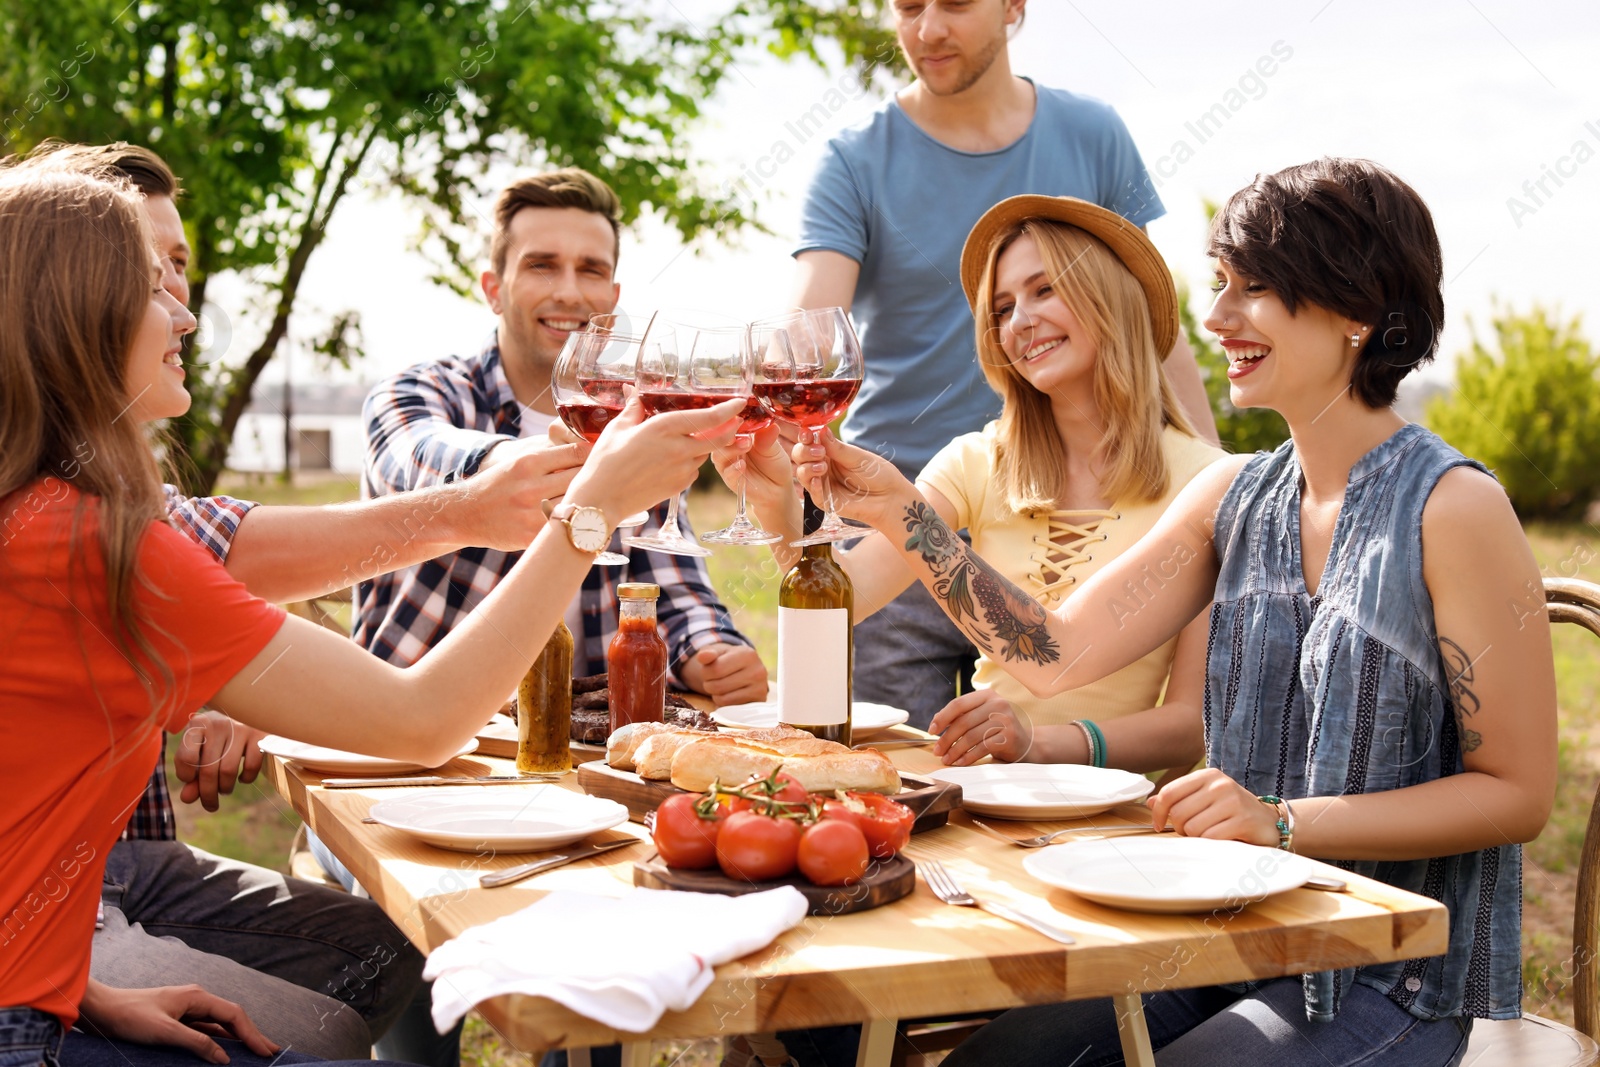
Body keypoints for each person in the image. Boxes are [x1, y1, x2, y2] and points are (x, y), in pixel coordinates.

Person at [793, 157, 1555, 1066]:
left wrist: (1278, 820)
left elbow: (1517, 794)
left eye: (1257, 289)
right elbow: (1053, 650)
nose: (1219, 318)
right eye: (1221, 286)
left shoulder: (1452, 507)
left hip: (1383, 974)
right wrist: (898, 510)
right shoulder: (1235, 492)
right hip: (1219, 932)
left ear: (1359, 309)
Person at [0, 156, 744, 1067]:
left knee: (342, 1005)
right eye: (155, 288)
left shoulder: (40, 519)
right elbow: (422, 721)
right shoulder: (104, 550)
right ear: (79, 318)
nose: (186, 314)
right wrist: (585, 513)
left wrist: (79, 984)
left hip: (40, 991)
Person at [790, 0, 1220, 728]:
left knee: (1045, 734)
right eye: (907, 7)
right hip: (909, 506)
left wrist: (1211, 481)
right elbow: (809, 334)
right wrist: (783, 459)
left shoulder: (1093, 136)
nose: (926, 30)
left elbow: (1148, 314)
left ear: (1014, 8)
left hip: (1094, 502)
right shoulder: (855, 159)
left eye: (953, 4)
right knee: (900, 771)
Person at [725, 197, 1224, 772]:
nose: (1020, 321)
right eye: (1003, 308)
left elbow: (1188, 726)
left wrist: (1041, 742)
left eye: (1044, 290)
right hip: (986, 794)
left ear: (1111, 297)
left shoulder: (1208, 481)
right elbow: (841, 600)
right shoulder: (975, 460)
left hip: (1113, 819)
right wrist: (772, 503)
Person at [355, 167, 766, 701]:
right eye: (542, 266)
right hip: (404, 732)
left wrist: (711, 653)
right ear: (494, 290)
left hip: (572, 745)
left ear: (612, 300)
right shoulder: (417, 393)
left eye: (590, 270)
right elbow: (418, 463)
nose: (569, 292)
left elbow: (671, 581)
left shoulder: (632, 422)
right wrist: (546, 469)